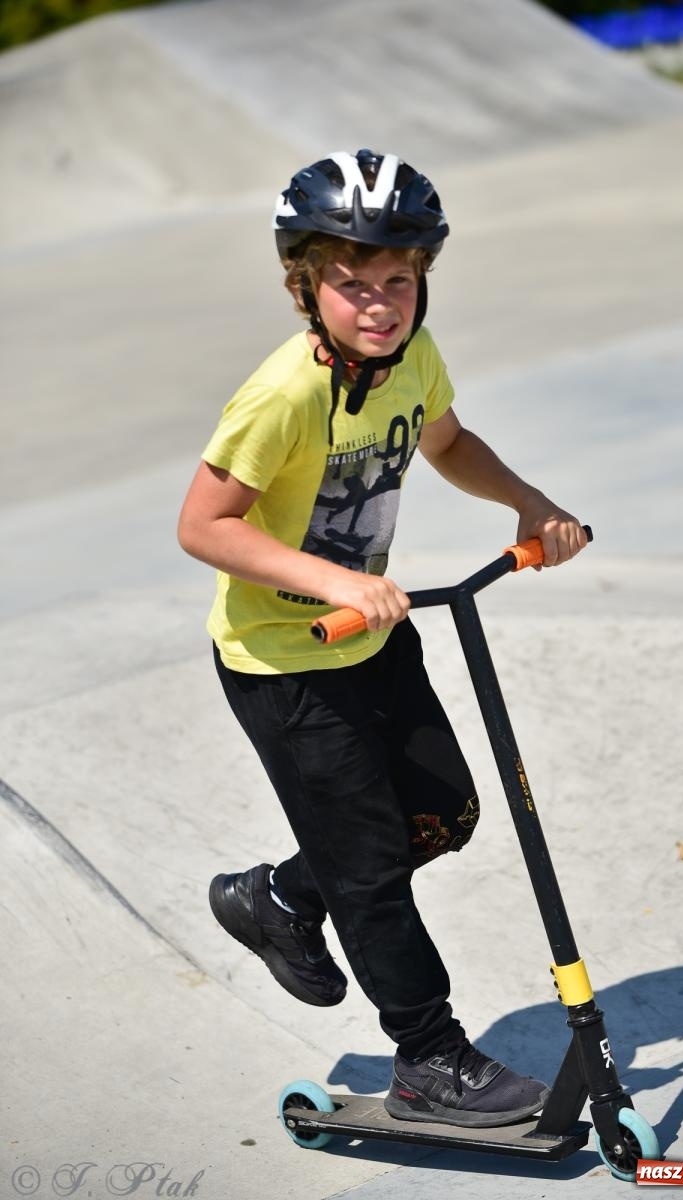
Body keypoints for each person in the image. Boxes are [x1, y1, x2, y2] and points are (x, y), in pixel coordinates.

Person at [177, 149, 588, 1128]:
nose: (378, 303)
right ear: (304, 285)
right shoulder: (281, 395)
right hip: (286, 662)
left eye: (398, 280)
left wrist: (531, 505)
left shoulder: (414, 358)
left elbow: (445, 443)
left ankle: (279, 894)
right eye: (350, 282)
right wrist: (338, 580)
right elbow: (204, 525)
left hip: (371, 637)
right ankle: (428, 1058)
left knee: (441, 815)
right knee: (367, 866)